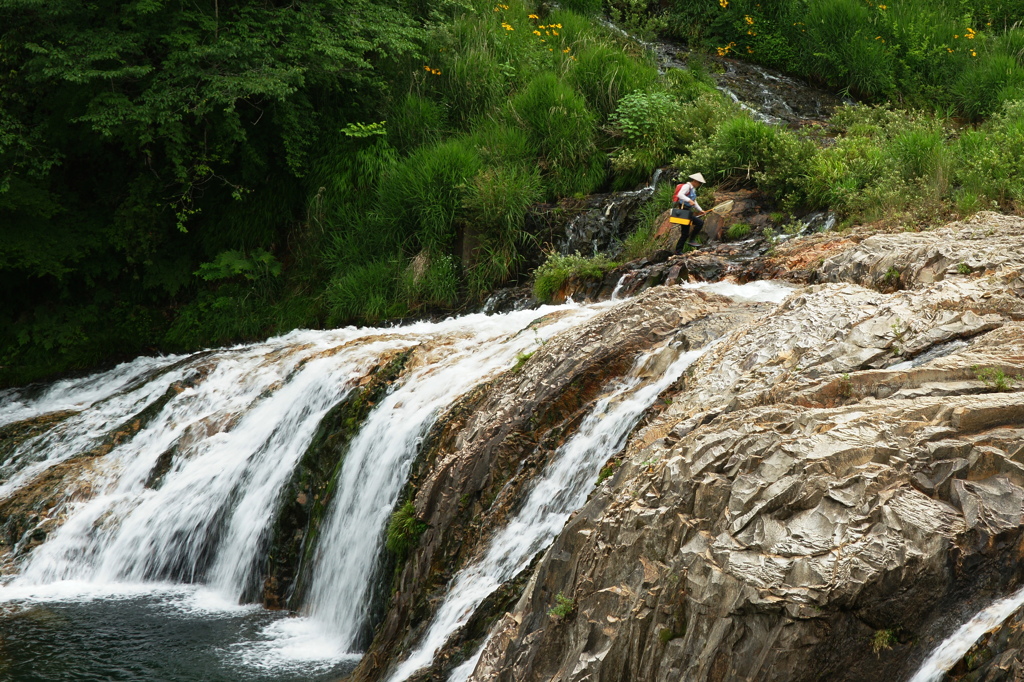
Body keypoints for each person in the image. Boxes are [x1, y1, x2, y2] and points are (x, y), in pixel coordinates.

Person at [671, 172, 706, 253]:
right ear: (695, 181)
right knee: (699, 223)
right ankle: (690, 241)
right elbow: (680, 195)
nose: (699, 184)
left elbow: (694, 201)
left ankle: (678, 250)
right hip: (683, 211)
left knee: (685, 233)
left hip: (687, 211)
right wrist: (689, 200)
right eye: (699, 183)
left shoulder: (692, 189)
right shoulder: (687, 186)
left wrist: (700, 210)